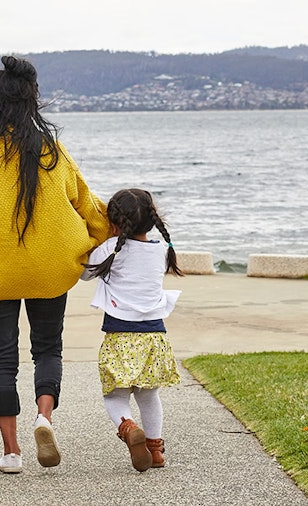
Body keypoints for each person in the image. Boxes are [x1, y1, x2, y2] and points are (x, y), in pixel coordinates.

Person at [0, 55, 112, 474]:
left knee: (1, 359)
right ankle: (45, 418)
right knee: (48, 347)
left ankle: (11, 452)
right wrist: (100, 239)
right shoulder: (51, 149)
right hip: (49, 271)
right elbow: (88, 205)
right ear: (30, 103)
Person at [80, 188, 184, 472]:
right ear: (152, 220)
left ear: (113, 222)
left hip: (120, 336)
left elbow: (85, 273)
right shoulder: (162, 251)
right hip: (154, 336)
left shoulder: (109, 251)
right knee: (149, 395)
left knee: (115, 395)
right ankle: (155, 449)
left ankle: (127, 427)